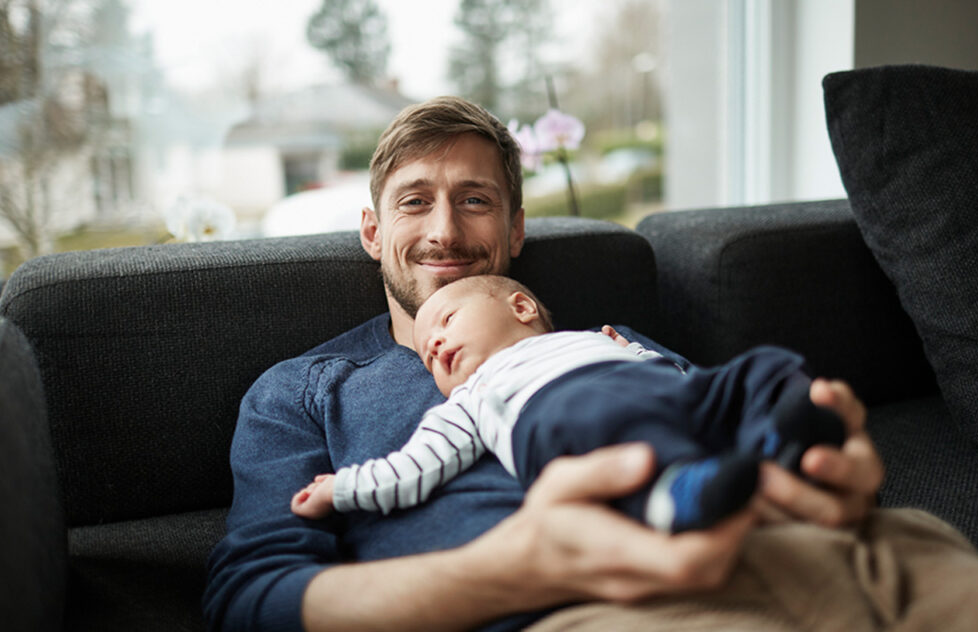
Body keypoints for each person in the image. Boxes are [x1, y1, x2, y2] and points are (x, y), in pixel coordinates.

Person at [203, 96, 885, 632]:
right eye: (414, 202)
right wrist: (511, 572)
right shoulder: (304, 390)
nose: (444, 230)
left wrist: (830, 477)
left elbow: (747, 424)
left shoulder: (611, 346)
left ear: (516, 228)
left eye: (475, 200)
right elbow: (252, 600)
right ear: (373, 233)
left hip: (814, 559)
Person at [291, 275, 846, 534]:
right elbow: (411, 469)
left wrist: (636, 355)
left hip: (659, 392)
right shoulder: (472, 399)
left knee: (761, 365)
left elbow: (674, 376)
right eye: (427, 354)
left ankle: (778, 434)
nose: (432, 344)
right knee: (617, 447)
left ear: (522, 306)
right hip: (563, 419)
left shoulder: (598, 337)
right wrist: (340, 488)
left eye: (448, 320)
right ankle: (675, 497)